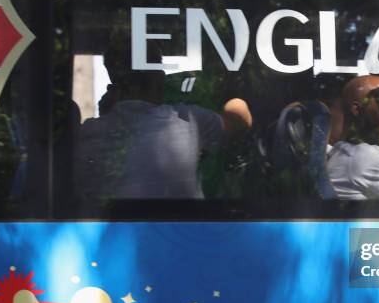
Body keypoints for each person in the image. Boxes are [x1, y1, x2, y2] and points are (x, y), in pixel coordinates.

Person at [75, 40, 251, 203]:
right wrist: (233, 95)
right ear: (159, 79)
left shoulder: (87, 134)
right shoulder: (189, 121)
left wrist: (106, 114)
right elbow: (240, 122)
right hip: (183, 232)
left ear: (113, 84)